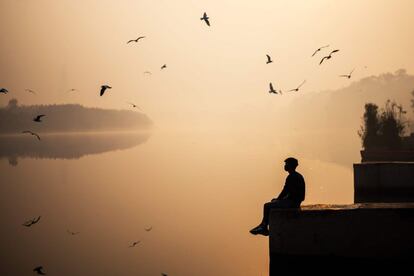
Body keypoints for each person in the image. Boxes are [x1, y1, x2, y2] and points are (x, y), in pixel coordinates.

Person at [250, 157, 305, 236]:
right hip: (294, 202)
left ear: (290, 165)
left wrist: (278, 200)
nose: (285, 166)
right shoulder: (297, 176)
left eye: (286, 164)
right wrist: (279, 199)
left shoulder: (292, 176)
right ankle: (263, 225)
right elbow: (289, 192)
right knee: (273, 202)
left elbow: (285, 191)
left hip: (292, 203)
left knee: (267, 206)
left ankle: (264, 226)